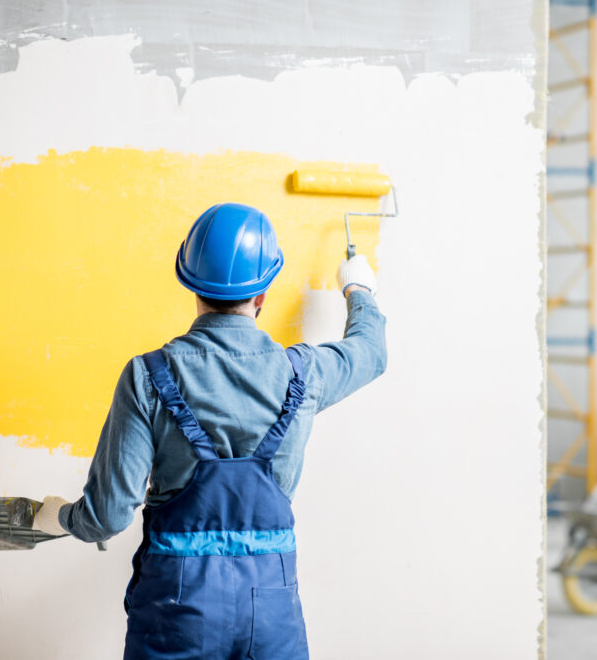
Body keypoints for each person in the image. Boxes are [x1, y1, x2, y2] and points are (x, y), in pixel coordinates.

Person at [33, 202, 387, 660]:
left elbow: (106, 517)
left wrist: (59, 516)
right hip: (272, 608)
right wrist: (358, 286)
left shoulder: (148, 376)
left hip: (177, 609)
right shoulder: (306, 373)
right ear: (262, 296)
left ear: (190, 284)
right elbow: (370, 352)